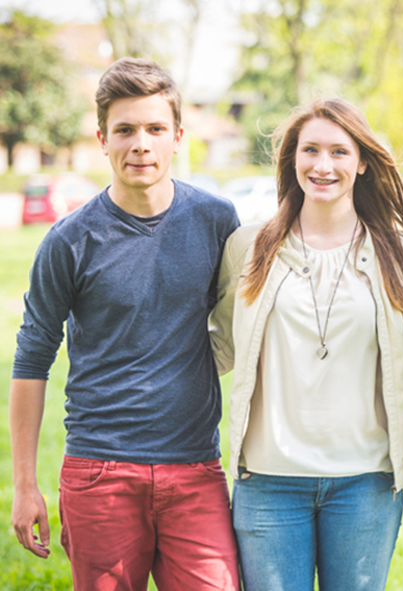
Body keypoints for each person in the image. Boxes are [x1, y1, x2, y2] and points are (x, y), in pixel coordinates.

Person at [9, 58, 240, 589]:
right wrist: (25, 483)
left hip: (196, 470)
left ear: (178, 136)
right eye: (126, 130)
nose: (141, 143)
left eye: (156, 129)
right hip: (99, 471)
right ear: (102, 139)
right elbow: (32, 357)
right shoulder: (69, 241)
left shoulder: (217, 221)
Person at [208, 98, 403, 591]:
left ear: (362, 161)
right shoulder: (248, 246)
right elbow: (220, 345)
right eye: (310, 151)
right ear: (292, 159)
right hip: (268, 479)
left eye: (339, 152)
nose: (323, 166)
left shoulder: (401, 253)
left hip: (365, 482)